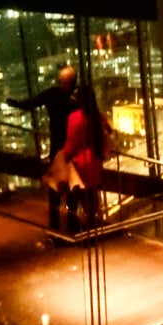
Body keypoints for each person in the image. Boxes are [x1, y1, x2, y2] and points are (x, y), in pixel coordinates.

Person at [6, 64, 78, 230]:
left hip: (57, 148)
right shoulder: (77, 98)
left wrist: (14, 104)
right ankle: (72, 226)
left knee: (55, 188)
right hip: (73, 148)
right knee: (73, 187)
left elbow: (31, 103)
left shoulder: (52, 94)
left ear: (61, 81)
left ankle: (55, 227)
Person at [60, 83, 112, 233]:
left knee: (75, 201)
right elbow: (109, 131)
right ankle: (93, 230)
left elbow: (71, 144)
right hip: (94, 162)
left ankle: (77, 232)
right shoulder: (98, 116)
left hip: (78, 164)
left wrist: (64, 157)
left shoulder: (75, 117)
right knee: (91, 201)